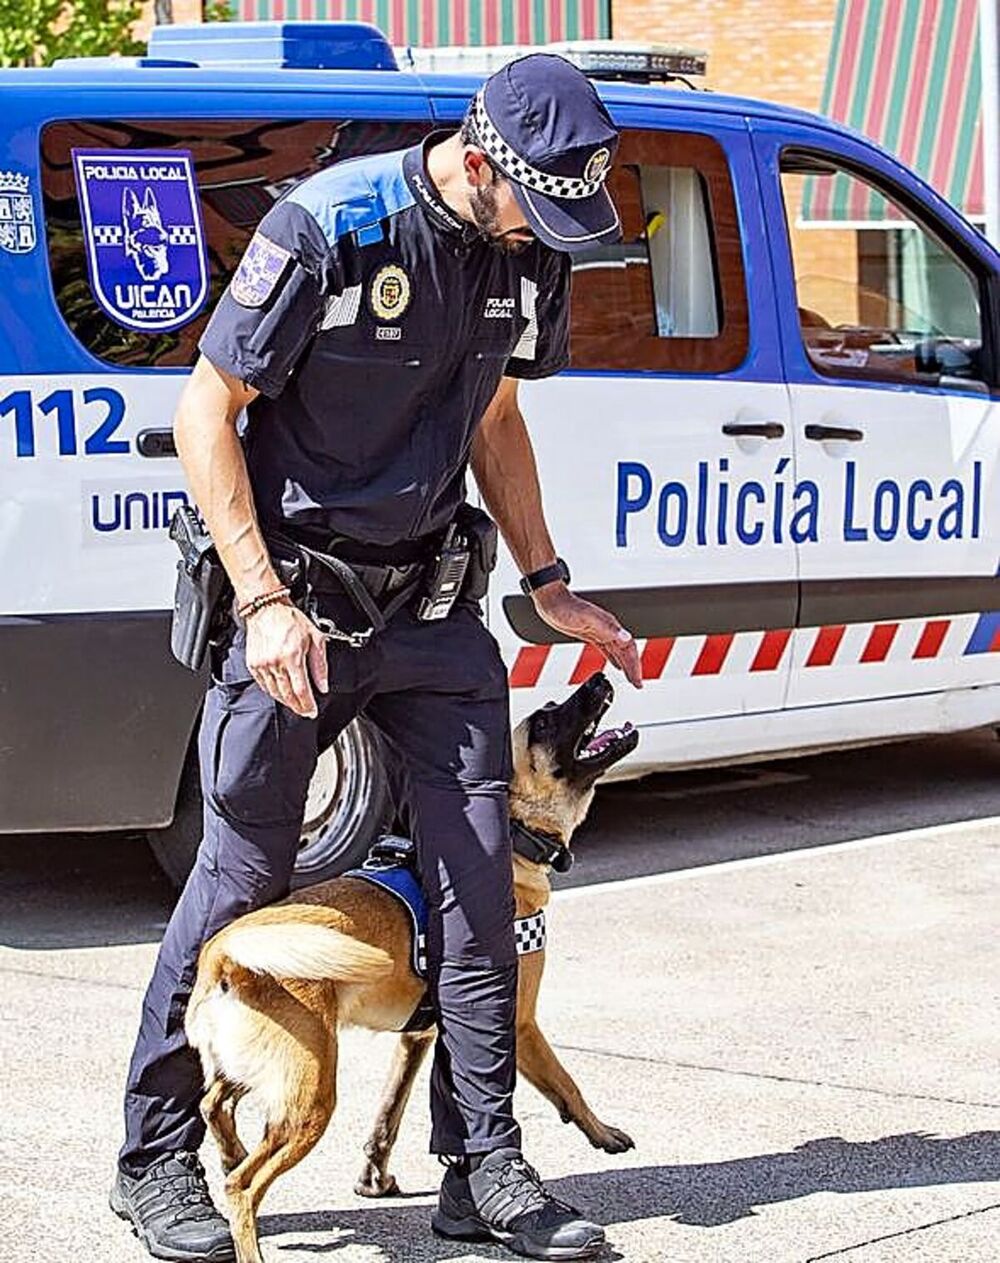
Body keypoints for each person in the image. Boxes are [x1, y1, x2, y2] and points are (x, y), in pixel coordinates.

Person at [110, 53, 642, 1263]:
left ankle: (484, 1168)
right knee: (239, 876)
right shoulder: (335, 225)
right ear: (479, 155)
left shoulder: (530, 252)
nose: (543, 239)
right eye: (535, 210)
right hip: (296, 600)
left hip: (433, 608)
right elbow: (208, 411)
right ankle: (152, 1160)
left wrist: (548, 581)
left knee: (478, 887)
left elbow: (496, 416)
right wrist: (259, 601)